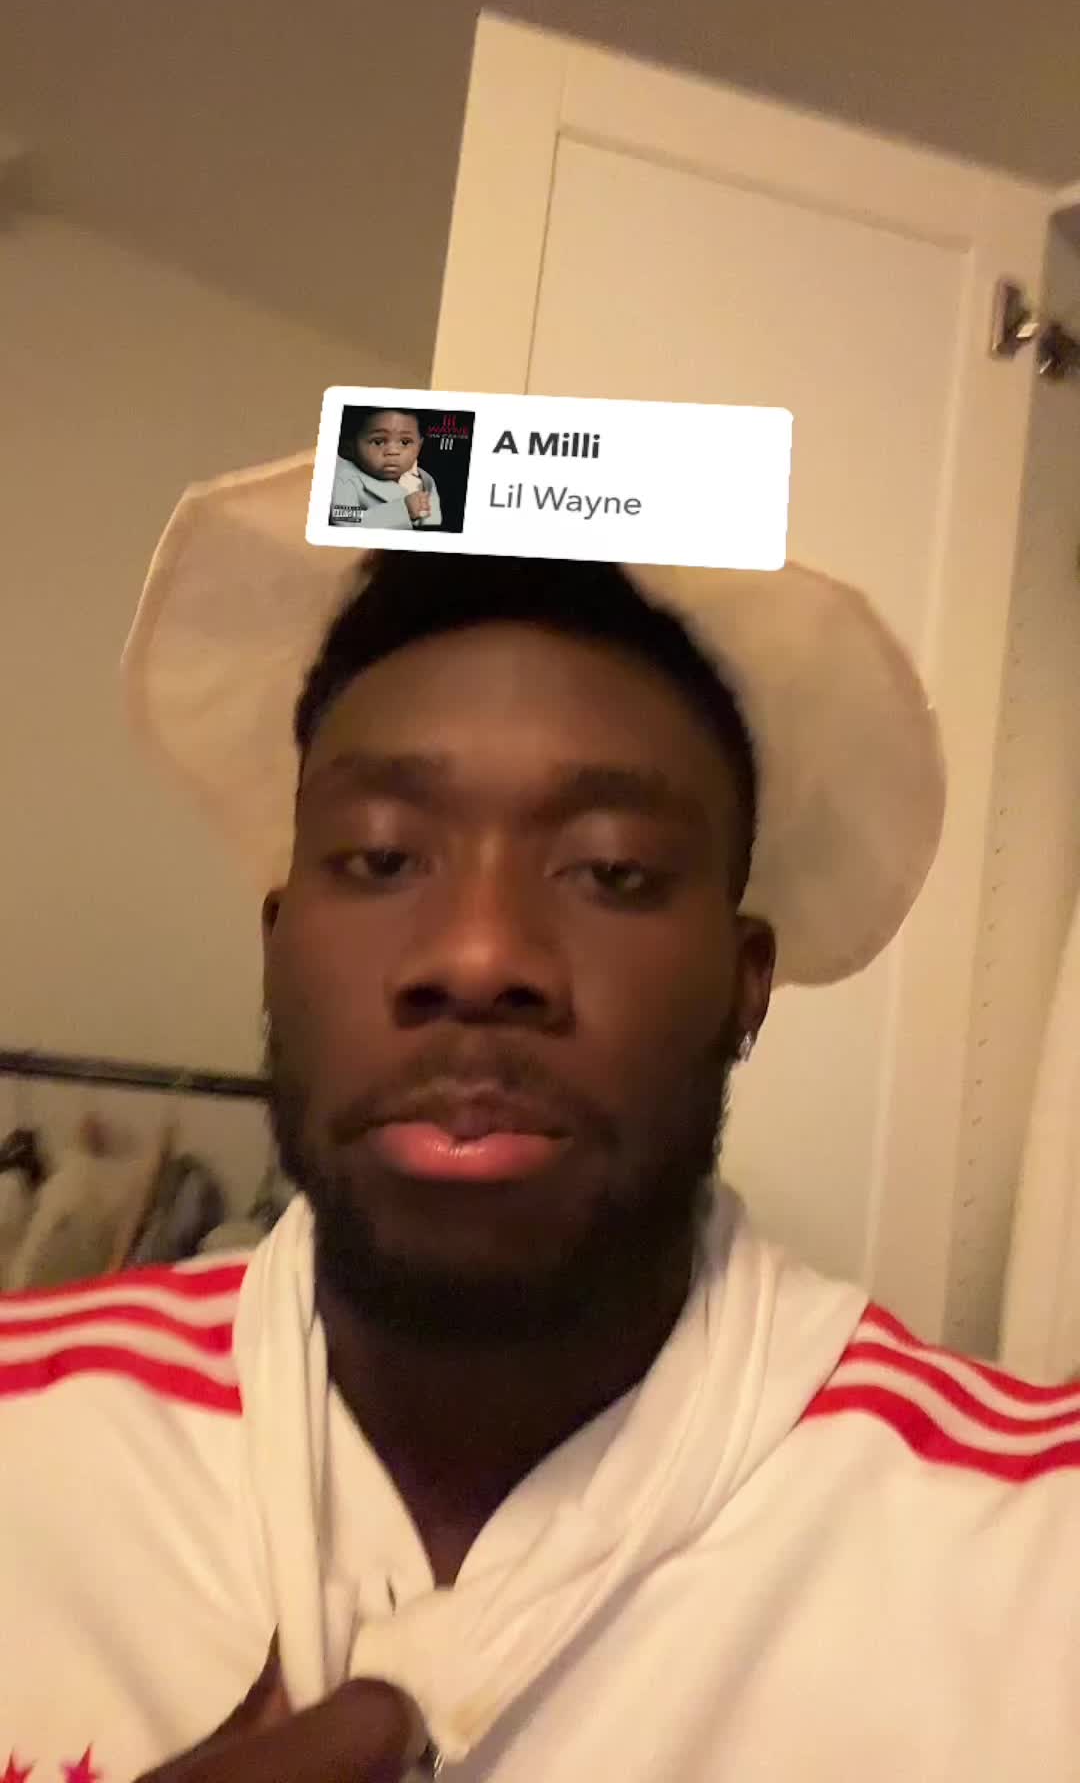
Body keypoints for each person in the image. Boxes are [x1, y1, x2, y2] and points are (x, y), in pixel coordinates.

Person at [3, 451, 1078, 1782]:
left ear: (745, 985)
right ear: (277, 946)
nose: (478, 954)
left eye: (612, 872)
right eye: (382, 857)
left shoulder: (1034, 1561)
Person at [332, 407, 442, 531]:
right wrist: (403, 510)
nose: (393, 451)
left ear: (419, 447)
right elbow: (345, 522)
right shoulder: (345, 479)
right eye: (378, 442)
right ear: (349, 447)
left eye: (405, 442)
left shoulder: (422, 479)